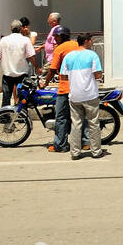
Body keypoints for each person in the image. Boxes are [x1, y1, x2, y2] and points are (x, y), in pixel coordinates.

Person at [61, 32, 106, 159]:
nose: (92, 43)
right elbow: (98, 75)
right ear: (86, 41)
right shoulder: (92, 55)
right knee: (93, 123)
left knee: (76, 124)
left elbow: (63, 76)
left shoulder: (68, 56)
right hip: (90, 95)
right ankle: (96, 151)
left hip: (74, 95)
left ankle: (75, 152)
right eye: (91, 40)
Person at [41, 25, 85, 153]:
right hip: (80, 86)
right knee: (82, 116)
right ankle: (86, 142)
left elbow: (52, 69)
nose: (54, 39)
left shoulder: (59, 49)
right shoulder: (77, 45)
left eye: (56, 36)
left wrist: (45, 82)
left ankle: (60, 145)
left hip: (66, 88)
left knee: (61, 117)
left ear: (62, 36)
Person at [0, 19, 39, 106]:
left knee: (6, 98)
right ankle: (22, 117)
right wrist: (37, 68)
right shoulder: (25, 40)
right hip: (22, 74)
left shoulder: (4, 40)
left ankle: (5, 117)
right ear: (21, 29)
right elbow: (31, 57)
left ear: (11, 29)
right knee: (22, 97)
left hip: (8, 74)